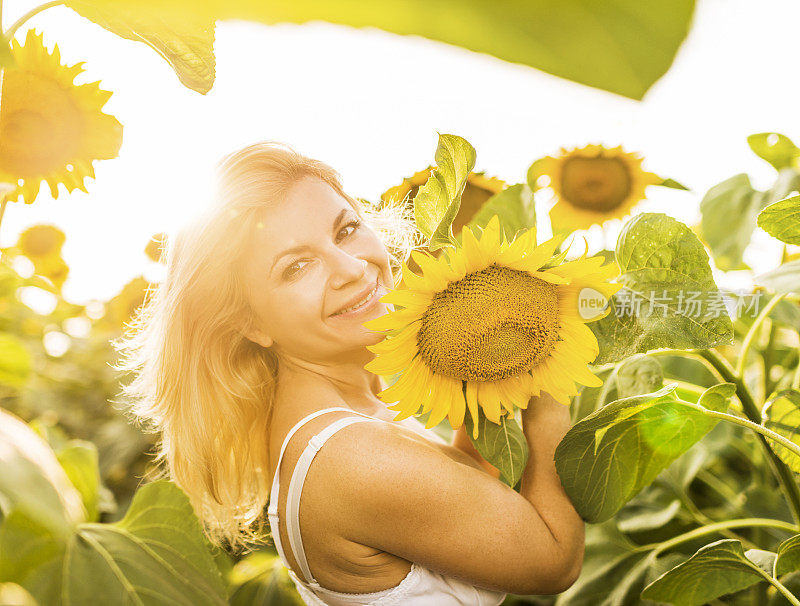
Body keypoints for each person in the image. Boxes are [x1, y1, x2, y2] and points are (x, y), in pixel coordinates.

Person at [114, 141, 585, 605]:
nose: (351, 268)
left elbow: (468, 492)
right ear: (249, 322)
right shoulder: (350, 456)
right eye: (297, 267)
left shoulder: (347, 414)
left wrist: (486, 355)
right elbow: (554, 559)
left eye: (345, 230)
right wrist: (546, 358)